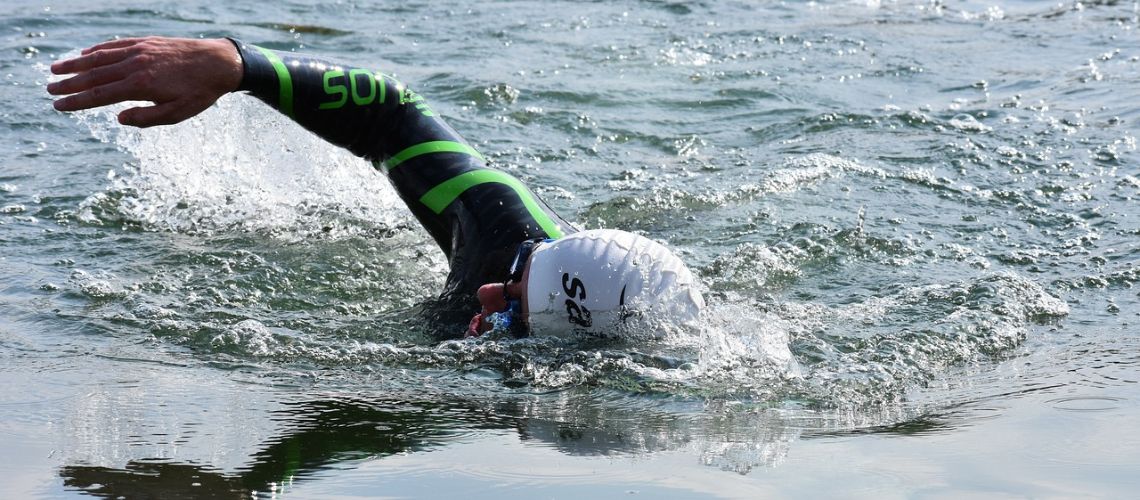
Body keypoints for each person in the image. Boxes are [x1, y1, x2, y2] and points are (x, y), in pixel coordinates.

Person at [47, 36, 704, 338]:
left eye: (508, 307)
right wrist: (239, 66)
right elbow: (393, 114)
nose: (485, 288)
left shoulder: (561, 385)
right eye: (516, 272)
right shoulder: (503, 233)